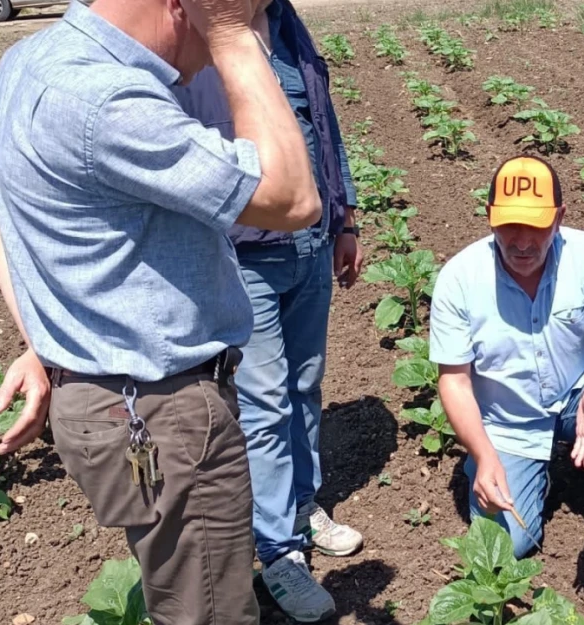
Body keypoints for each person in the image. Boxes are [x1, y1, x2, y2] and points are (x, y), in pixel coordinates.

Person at [0, 0, 322, 621]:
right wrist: (232, 34)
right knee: (209, 611)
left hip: (106, 402)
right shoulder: (108, 102)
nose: (202, 75)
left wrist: (43, 342)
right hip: (166, 415)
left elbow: (9, 219)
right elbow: (294, 197)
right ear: (179, 7)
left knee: (184, 587)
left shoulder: (27, 61)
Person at [171, 0, 362, 620]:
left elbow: (320, 121)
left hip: (310, 242)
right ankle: (280, 552)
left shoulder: (286, 21)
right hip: (245, 250)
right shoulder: (199, 25)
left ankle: (303, 507)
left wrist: (345, 217)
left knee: (305, 384)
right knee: (264, 398)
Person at [429, 155, 584, 625]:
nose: (521, 242)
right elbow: (453, 380)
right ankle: (500, 464)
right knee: (508, 546)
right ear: (490, 218)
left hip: (579, 399)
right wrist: (483, 451)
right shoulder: (460, 278)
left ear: (560, 216)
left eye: (535, 226)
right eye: (509, 226)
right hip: (507, 421)